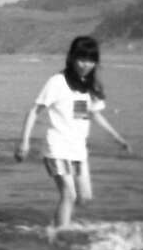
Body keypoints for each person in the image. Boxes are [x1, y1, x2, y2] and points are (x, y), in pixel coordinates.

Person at [14, 35, 131, 229]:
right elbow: (34, 111)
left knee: (84, 197)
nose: (86, 64)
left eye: (91, 60)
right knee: (69, 194)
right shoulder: (57, 82)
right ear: (71, 58)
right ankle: (61, 234)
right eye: (81, 59)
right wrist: (24, 142)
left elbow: (92, 115)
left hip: (77, 150)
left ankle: (56, 223)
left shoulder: (89, 87)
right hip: (56, 148)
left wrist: (117, 138)